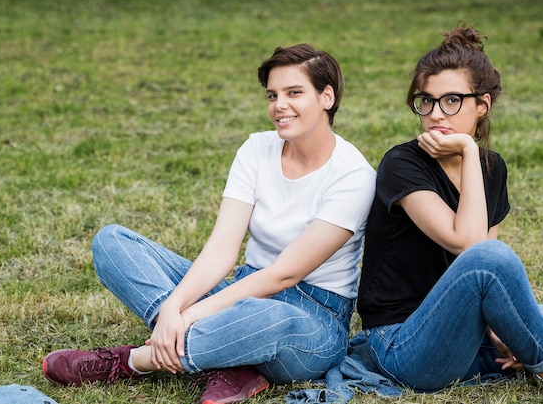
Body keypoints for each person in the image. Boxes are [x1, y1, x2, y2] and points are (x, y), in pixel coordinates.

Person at [43, 44, 376, 404]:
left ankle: (133, 361)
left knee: (265, 317)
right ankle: (232, 360)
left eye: (294, 93)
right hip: (244, 287)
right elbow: (221, 249)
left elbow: (284, 276)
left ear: (326, 96)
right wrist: (172, 308)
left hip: (312, 319)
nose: (279, 105)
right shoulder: (257, 149)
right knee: (112, 243)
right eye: (272, 95)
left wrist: (185, 317)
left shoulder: (353, 175)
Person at [356, 25, 543, 392]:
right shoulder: (401, 164)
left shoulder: (492, 169)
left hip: (473, 336)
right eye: (426, 101)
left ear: (483, 105)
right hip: (403, 345)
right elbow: (472, 246)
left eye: (452, 100)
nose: (436, 114)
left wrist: (503, 330)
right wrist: (469, 149)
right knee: (492, 256)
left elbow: (488, 281)